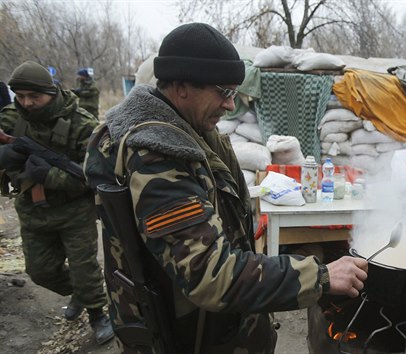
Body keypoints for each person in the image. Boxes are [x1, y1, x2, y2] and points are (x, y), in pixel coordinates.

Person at [84, 22, 368, 353]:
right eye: (224, 92)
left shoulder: (191, 134)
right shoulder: (156, 159)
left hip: (213, 327)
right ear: (181, 86)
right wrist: (319, 276)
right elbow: (209, 274)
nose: (231, 106)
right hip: (187, 337)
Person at [0, 61, 114, 344]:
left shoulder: (82, 123)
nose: (28, 103)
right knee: (40, 272)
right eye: (22, 96)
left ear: (50, 92)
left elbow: (94, 175)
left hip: (74, 209)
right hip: (31, 208)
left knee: (84, 268)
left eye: (34, 96)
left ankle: (98, 314)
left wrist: (48, 175)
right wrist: (7, 159)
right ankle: (78, 293)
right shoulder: (10, 118)